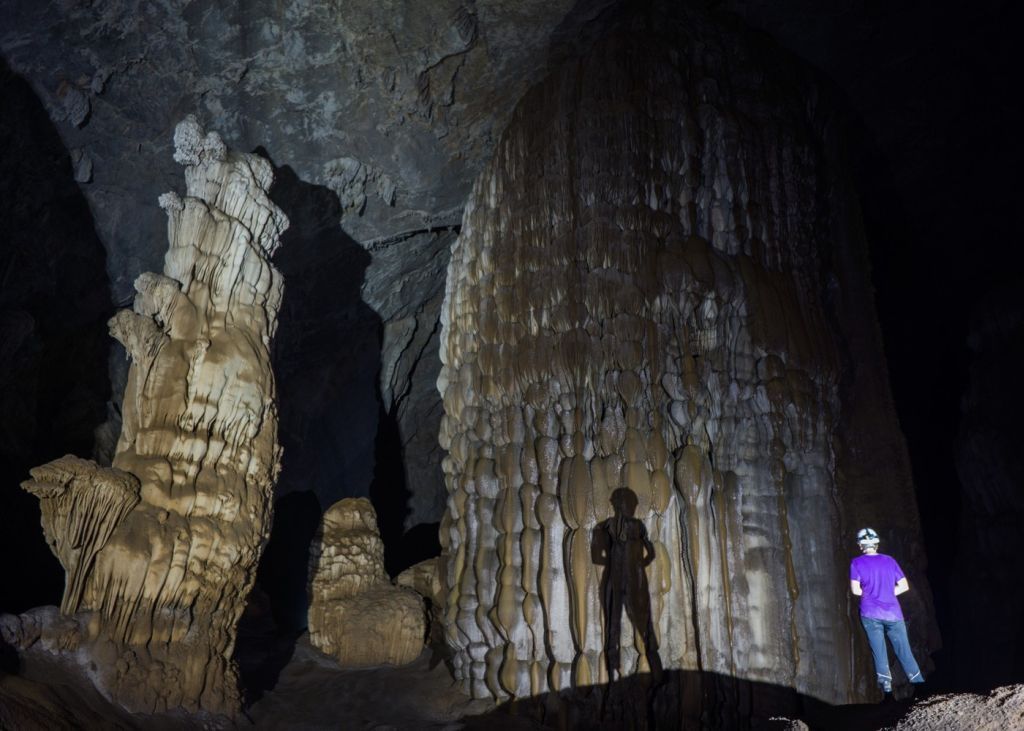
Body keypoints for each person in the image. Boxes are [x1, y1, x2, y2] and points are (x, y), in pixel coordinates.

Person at [592, 488, 663, 681]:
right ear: (618, 505)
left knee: (645, 626)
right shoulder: (607, 526)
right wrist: (621, 558)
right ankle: (612, 676)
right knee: (613, 628)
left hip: (634, 582)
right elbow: (596, 556)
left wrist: (635, 562)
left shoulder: (638, 526)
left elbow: (651, 553)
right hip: (616, 582)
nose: (632, 507)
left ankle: (658, 674)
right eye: (630, 504)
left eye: (633, 505)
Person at [850, 527, 924, 697]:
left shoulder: (856, 563)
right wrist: (888, 593)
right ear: (876, 543)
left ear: (860, 545)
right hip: (893, 613)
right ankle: (919, 686)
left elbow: (855, 590)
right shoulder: (890, 561)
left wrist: (871, 594)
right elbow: (904, 586)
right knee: (904, 650)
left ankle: (888, 693)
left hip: (869, 613)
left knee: (879, 651)